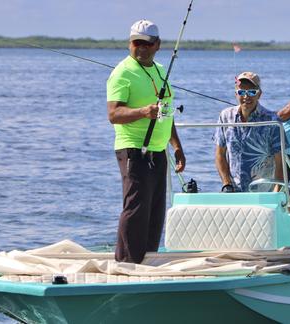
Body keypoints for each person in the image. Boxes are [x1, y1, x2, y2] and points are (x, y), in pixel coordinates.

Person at [107, 19, 186, 264]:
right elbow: (114, 114)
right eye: (136, 43)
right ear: (130, 43)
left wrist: (177, 145)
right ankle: (127, 263)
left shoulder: (161, 71)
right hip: (133, 149)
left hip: (158, 150)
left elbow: (166, 111)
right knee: (136, 208)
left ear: (157, 45)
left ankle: (148, 259)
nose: (140, 48)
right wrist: (143, 112)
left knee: (155, 210)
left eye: (146, 44)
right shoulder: (122, 72)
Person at [214, 72, 285, 193]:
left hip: (263, 193)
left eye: (252, 92)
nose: (246, 97)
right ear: (236, 94)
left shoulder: (273, 121)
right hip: (233, 192)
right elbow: (220, 154)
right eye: (242, 92)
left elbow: (280, 161)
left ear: (259, 94)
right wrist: (226, 184)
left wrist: (276, 193)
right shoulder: (225, 116)